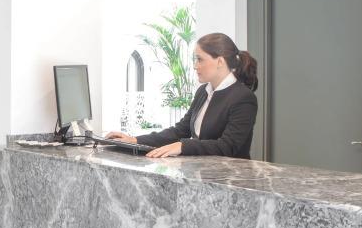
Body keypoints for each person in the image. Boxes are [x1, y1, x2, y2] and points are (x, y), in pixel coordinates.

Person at [106, 33, 259, 159]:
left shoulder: (243, 98)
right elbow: (180, 131)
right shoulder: (203, 91)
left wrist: (183, 146)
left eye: (200, 59)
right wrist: (135, 140)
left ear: (219, 61)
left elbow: (228, 146)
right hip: (202, 174)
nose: (195, 66)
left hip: (230, 180)